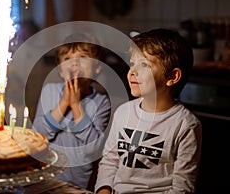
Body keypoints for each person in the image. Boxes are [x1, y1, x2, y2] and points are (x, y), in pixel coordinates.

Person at [95, 28, 202, 194]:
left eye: (144, 64)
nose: (132, 72)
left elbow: (182, 188)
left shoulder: (186, 125)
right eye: (132, 63)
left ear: (172, 77)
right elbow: (110, 161)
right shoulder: (123, 112)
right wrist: (104, 190)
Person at [32, 32, 111, 190]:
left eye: (83, 57)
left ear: (97, 68)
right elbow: (38, 136)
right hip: (45, 177)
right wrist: (63, 103)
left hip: (78, 183)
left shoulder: (101, 102)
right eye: (67, 58)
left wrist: (76, 106)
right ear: (61, 71)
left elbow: (93, 148)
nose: (74, 63)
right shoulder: (50, 91)